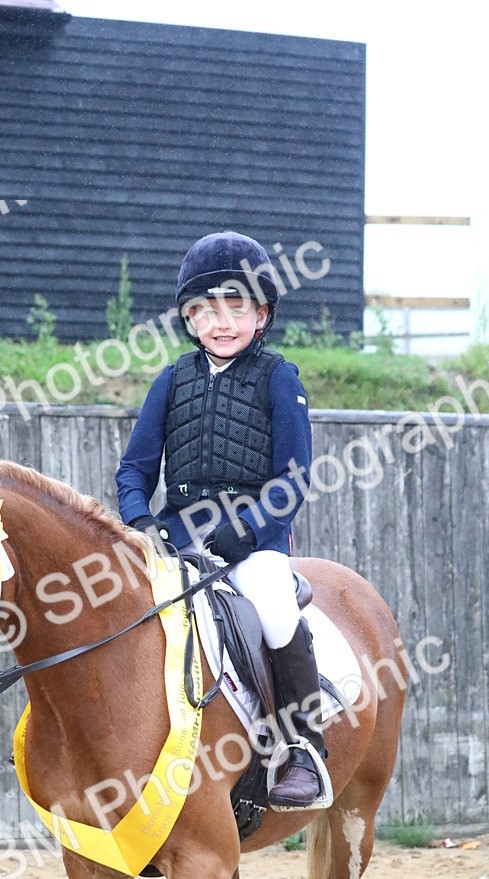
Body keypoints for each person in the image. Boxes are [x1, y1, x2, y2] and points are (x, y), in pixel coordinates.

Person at [115, 230, 326, 807]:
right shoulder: (171, 381)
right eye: (205, 310)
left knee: (275, 607)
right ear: (189, 319)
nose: (221, 321)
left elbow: (294, 478)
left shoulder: (279, 378)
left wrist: (250, 529)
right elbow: (133, 470)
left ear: (262, 315)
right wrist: (142, 520)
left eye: (237, 308)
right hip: (177, 536)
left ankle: (304, 746)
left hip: (254, 540)